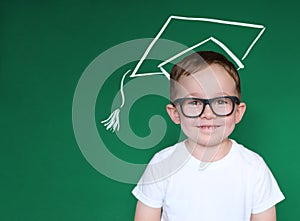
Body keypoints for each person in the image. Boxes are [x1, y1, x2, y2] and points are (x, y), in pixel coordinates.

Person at [132, 51, 284, 221]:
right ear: (175, 113)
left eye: (220, 101)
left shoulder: (253, 167)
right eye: (195, 103)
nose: (208, 113)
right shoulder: (162, 164)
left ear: (238, 112)